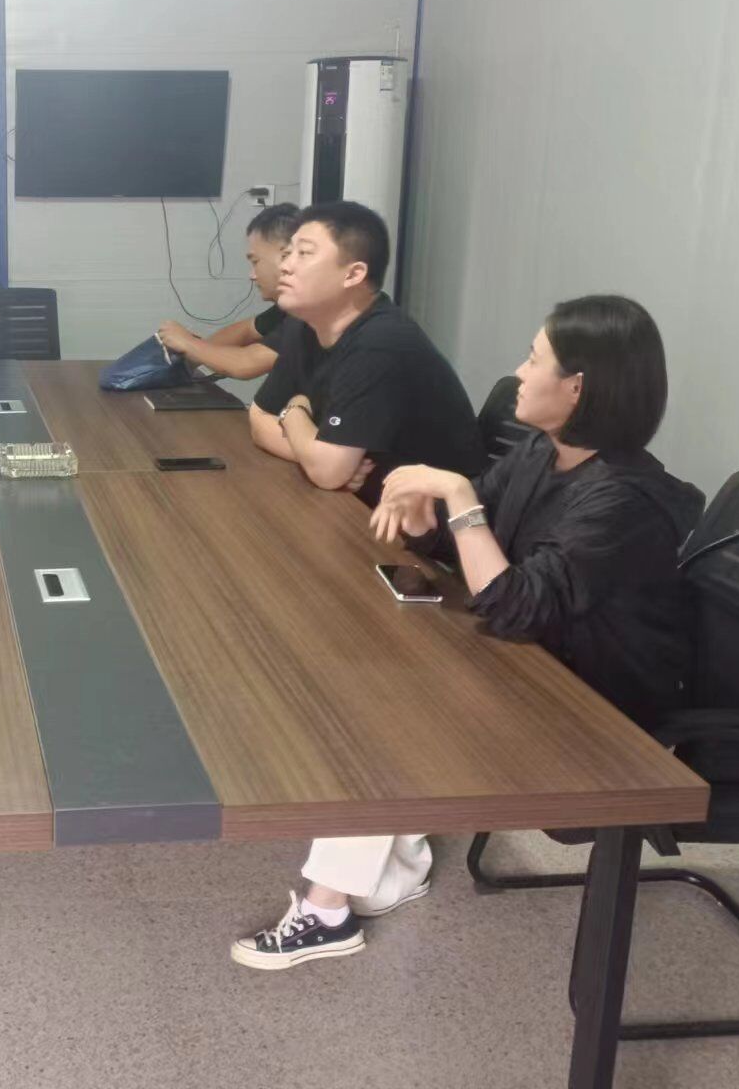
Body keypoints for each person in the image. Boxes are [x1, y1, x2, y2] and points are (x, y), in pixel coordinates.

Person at [231, 294, 703, 971]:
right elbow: (474, 549)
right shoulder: (543, 453)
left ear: (576, 388)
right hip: (535, 661)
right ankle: (394, 869)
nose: (519, 372)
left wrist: (455, 494)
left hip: (595, 708)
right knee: (368, 669)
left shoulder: (622, 500)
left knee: (390, 709)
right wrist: (427, 517)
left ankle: (326, 912)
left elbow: (511, 602)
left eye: (533, 360)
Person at [248, 201, 484, 504]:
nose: (285, 266)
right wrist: (311, 453)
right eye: (288, 253)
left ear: (353, 274)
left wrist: (293, 412)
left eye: (303, 253)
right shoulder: (304, 324)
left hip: (430, 518)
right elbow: (259, 419)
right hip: (359, 502)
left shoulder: (381, 342)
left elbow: (328, 472)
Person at [154, 203, 303, 379]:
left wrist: (189, 343)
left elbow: (246, 364)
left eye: (255, 261)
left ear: (287, 256)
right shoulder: (289, 308)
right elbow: (248, 330)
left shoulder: (311, 315)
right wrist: (189, 358)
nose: (252, 275)